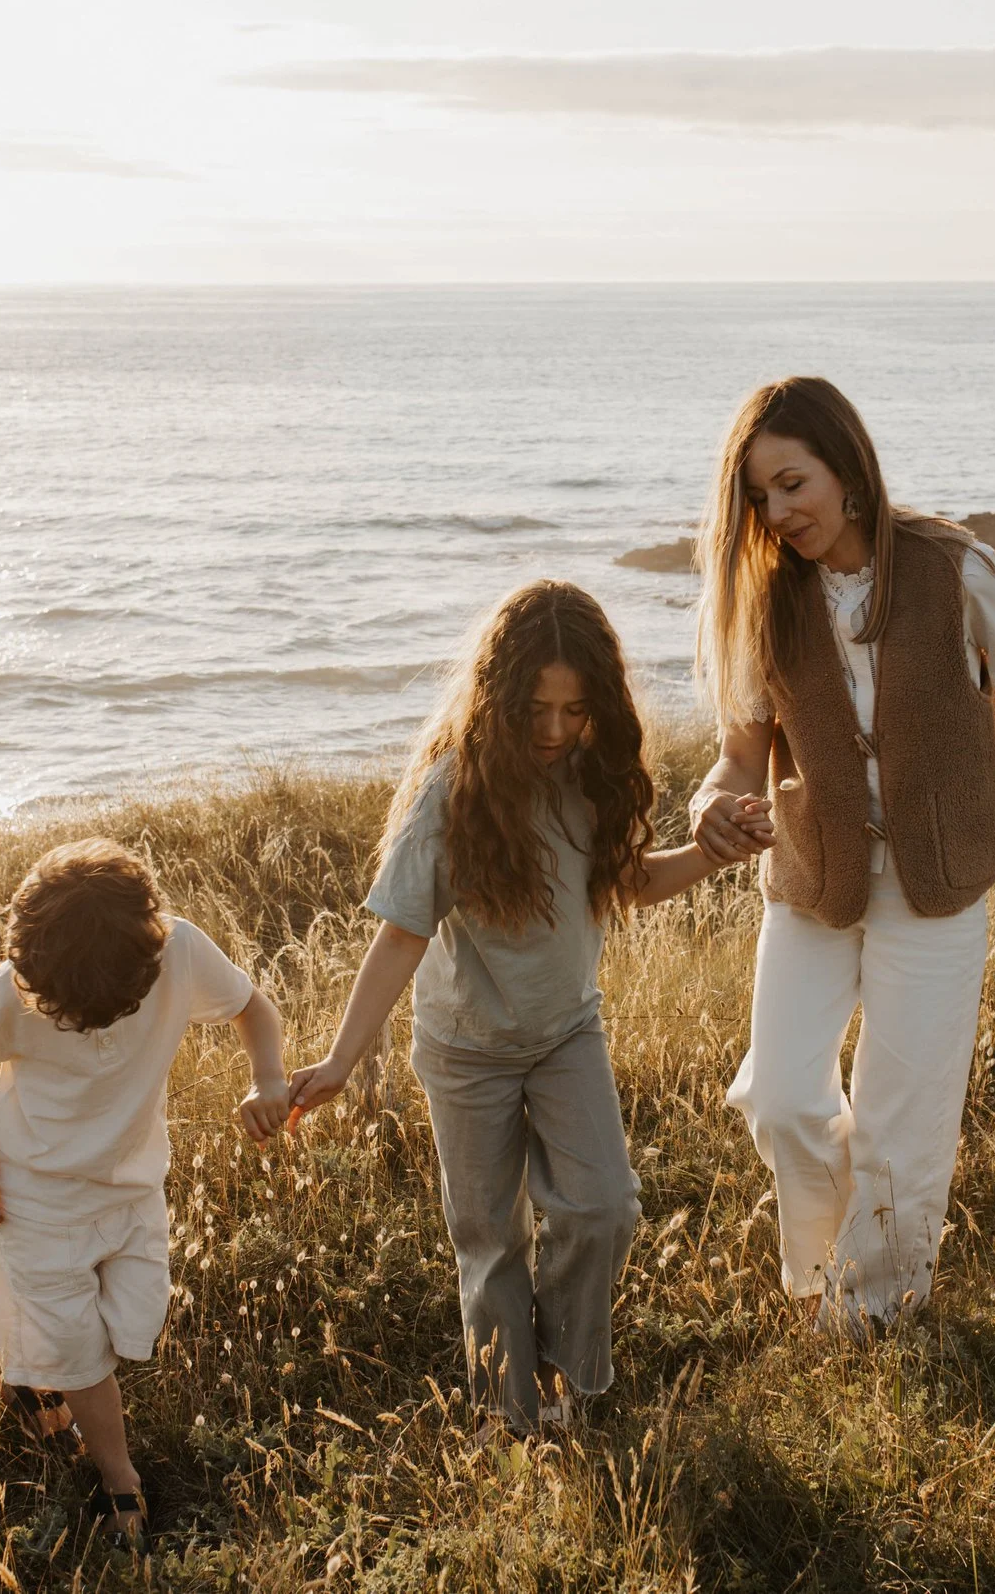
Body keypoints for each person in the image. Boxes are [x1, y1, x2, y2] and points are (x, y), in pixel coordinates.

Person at [285, 580, 752, 1431]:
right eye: (535, 707)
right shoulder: (450, 792)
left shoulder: (592, 772)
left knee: (604, 1205)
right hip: (466, 1051)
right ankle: (512, 1414)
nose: (552, 729)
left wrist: (714, 853)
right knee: (492, 1243)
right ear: (498, 696)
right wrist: (341, 1061)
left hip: (568, 1030)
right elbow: (399, 935)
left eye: (574, 710)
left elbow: (630, 883)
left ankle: (572, 1378)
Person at [687, 376, 995, 1337]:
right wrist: (716, 799)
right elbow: (740, 748)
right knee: (780, 1095)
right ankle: (828, 1266)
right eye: (759, 496)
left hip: (938, 876)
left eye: (792, 483)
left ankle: (873, 1310)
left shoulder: (951, 565)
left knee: (906, 1109)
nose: (778, 512)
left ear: (848, 468)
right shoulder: (767, 600)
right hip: (813, 873)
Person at [0, 838, 291, 1551]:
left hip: (133, 1184)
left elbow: (256, 1011)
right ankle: (118, 1475)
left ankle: (38, 1380)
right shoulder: (13, 989)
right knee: (81, 1347)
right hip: (34, 1193)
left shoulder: (178, 951)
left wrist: (267, 1079)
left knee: (135, 1323)